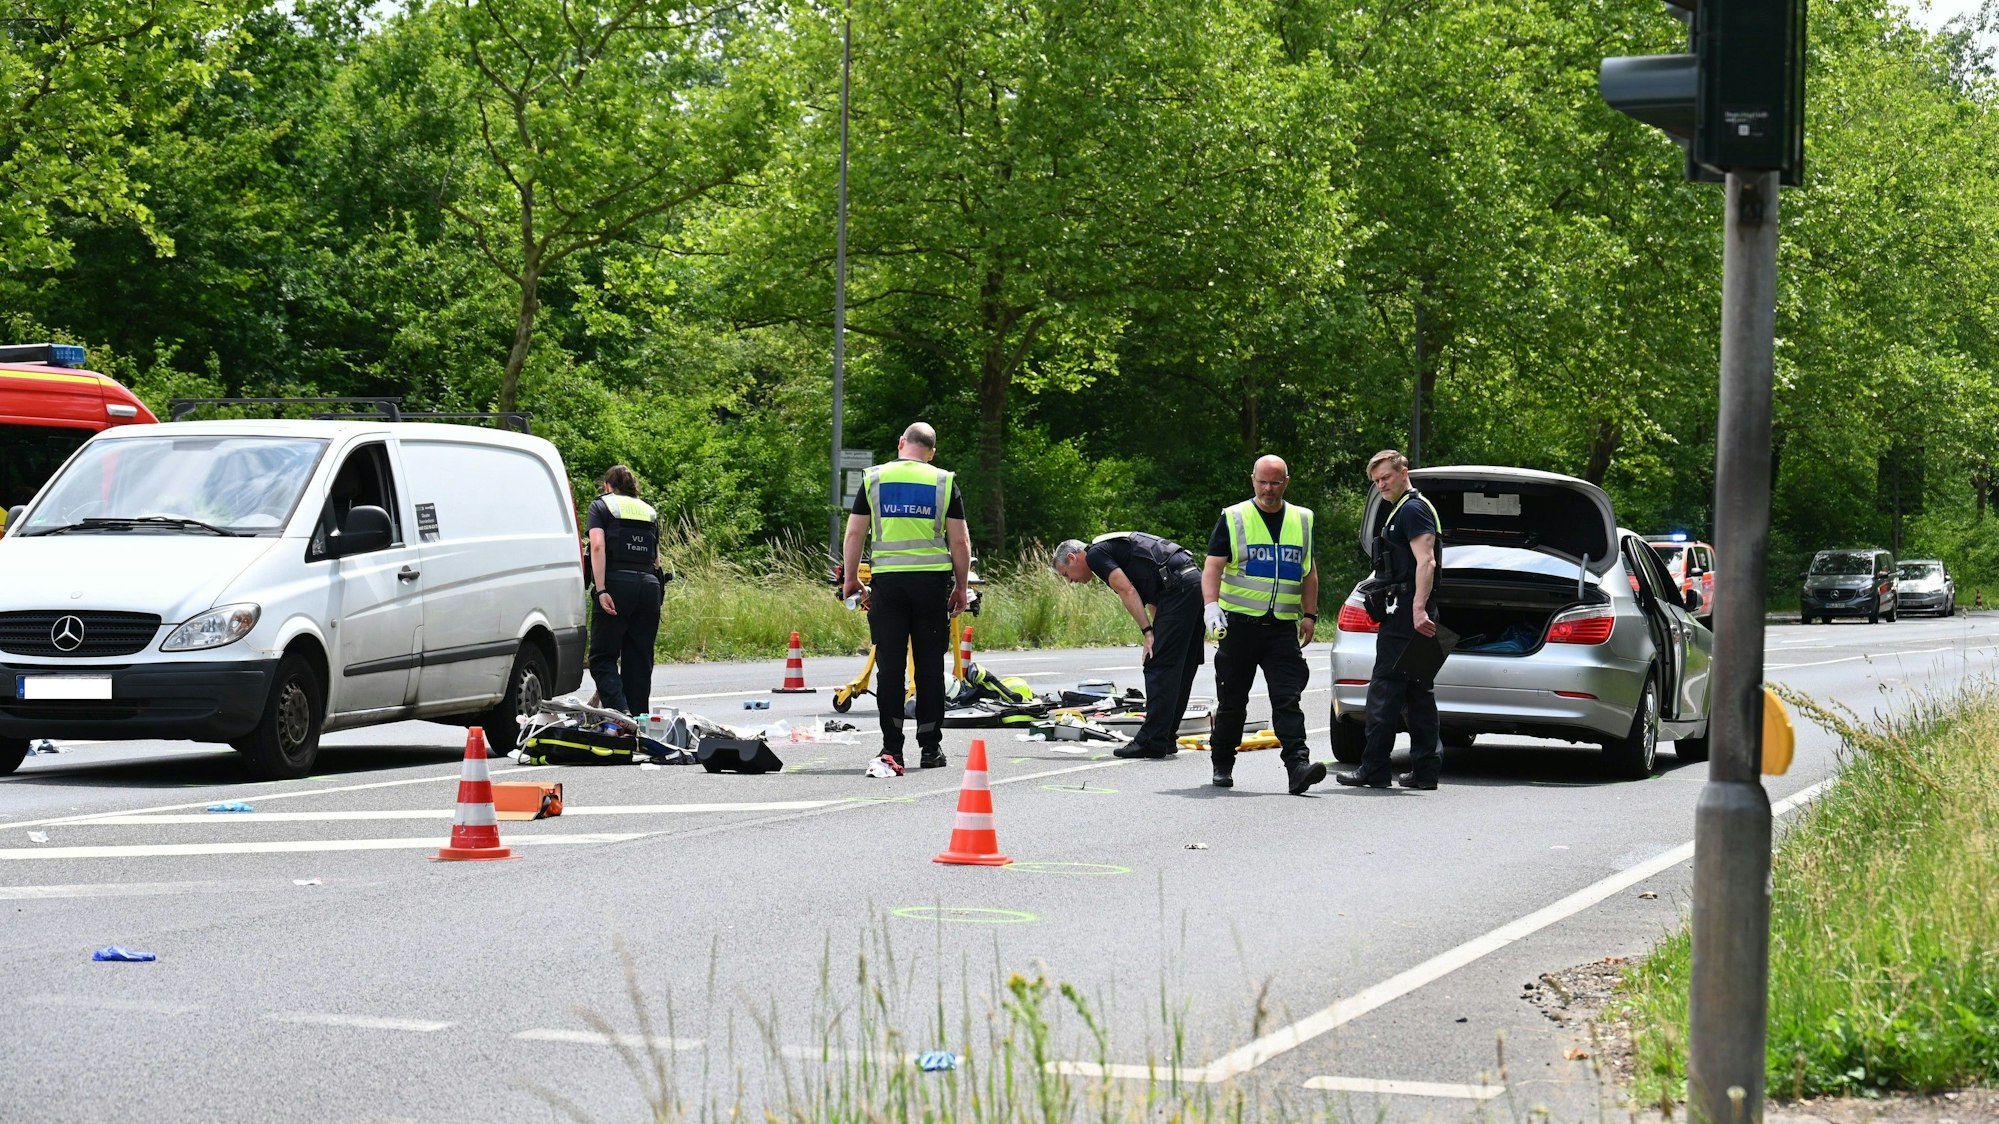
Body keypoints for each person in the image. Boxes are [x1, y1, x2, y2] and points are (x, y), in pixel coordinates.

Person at [840, 423, 971, 771]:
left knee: (891, 668)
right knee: (929, 669)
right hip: (931, 586)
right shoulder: (943, 481)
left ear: (901, 444)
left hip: (889, 586)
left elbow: (855, 533)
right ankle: (930, 749)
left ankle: (892, 749)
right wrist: (961, 587)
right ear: (931, 452)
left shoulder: (874, 479)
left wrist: (851, 579)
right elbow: (959, 542)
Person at [1201, 455, 1325, 794]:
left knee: (1288, 699)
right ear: (1253, 480)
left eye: (1275, 482)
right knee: (1232, 702)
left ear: (1287, 482)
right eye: (1263, 482)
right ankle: (1222, 763)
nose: (1268, 489)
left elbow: (1308, 571)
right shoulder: (1235, 517)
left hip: (1282, 627)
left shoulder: (1302, 519)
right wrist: (1211, 607)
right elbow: (1212, 567)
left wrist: (1310, 614)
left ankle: (1298, 766)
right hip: (1239, 626)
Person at [1337, 450, 1445, 791]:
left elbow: (1426, 562)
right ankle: (1425, 771)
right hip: (1415, 615)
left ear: (1403, 472)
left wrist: (1416, 609)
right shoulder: (1405, 508)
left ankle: (1374, 769)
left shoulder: (1413, 509)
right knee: (1418, 694)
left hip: (1407, 618)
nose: (1381, 485)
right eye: (1376, 481)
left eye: (1385, 477)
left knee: (1384, 692)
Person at [1052, 532, 1204, 760]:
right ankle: (1165, 738)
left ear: (1073, 558)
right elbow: (1154, 595)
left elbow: (1127, 590)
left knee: (1158, 666)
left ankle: (1151, 740)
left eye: (1066, 575)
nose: (1071, 581)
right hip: (1193, 582)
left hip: (1179, 589)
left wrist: (1148, 633)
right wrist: (1158, 629)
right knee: (1181, 666)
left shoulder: (1095, 555)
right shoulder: (1112, 549)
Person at [586, 465, 663, 716]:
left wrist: (601, 589)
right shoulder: (649, 511)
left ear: (608, 486)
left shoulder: (601, 506)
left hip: (617, 585)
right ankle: (639, 724)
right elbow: (657, 560)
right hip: (649, 588)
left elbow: (597, 547)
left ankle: (621, 716)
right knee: (639, 661)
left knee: (602, 658)